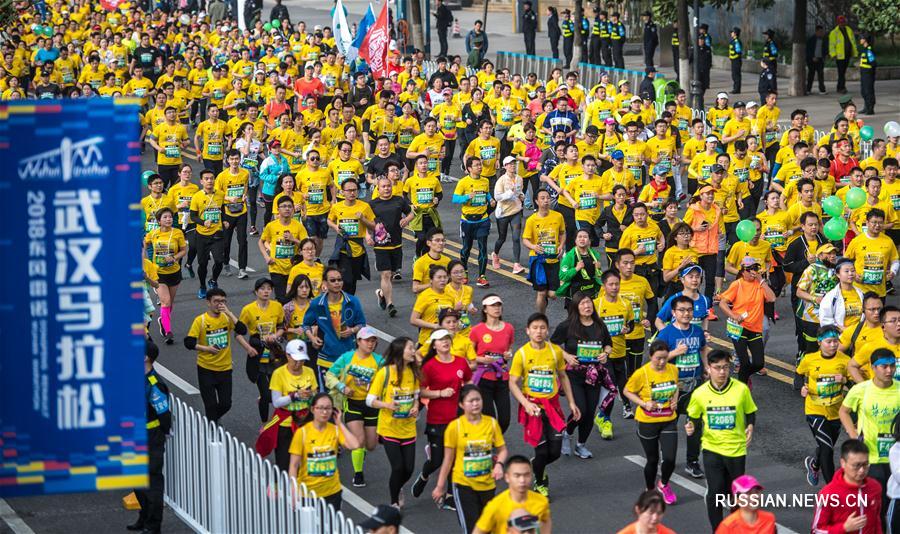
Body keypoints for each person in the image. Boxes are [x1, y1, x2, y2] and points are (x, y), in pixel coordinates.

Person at [509, 313, 580, 497]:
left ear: (547, 330)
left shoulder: (555, 351)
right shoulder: (522, 354)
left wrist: (571, 403)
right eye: (534, 328)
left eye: (542, 328)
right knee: (541, 451)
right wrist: (525, 403)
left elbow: (563, 376)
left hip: (552, 406)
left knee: (555, 451)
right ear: (527, 331)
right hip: (532, 407)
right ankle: (541, 482)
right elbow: (512, 382)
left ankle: (536, 466)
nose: (538, 331)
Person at [686, 349, 758, 530]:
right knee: (716, 491)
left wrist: (750, 426)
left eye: (725, 367)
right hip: (712, 449)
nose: (722, 372)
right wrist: (691, 426)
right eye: (717, 368)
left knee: (737, 494)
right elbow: (693, 417)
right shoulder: (700, 393)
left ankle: (735, 527)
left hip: (736, 449)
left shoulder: (741, 389)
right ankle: (718, 529)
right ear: (708, 369)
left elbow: (750, 412)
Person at [430, 384, 508, 531]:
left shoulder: (491, 423)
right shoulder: (455, 427)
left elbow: (502, 450)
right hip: (464, 485)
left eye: (478, 400)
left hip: (487, 484)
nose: (475, 404)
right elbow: (448, 460)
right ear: (461, 404)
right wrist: (440, 486)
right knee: (472, 529)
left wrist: (499, 465)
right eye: (470, 401)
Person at [410, 328, 474, 506]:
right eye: (440, 340)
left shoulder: (461, 362)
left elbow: (468, 380)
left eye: (447, 339)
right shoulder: (430, 366)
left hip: (458, 417)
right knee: (437, 460)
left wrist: (468, 396)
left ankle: (450, 496)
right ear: (434, 345)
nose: (445, 342)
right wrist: (440, 393)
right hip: (437, 418)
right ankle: (424, 475)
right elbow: (420, 390)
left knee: (456, 457)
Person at [550, 291, 616, 449]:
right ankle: (569, 432)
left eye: (589, 302)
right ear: (576, 307)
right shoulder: (567, 326)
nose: (587, 306)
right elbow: (552, 345)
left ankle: (581, 445)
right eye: (582, 303)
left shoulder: (599, 324)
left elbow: (608, 344)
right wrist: (566, 356)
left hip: (594, 376)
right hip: (573, 375)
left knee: (590, 414)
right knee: (581, 410)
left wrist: (605, 354)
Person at [656, 294, 710, 480]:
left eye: (689, 310)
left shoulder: (696, 331)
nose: (686, 313)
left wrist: (706, 368)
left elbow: (702, 348)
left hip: (695, 384)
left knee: (695, 423)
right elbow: (655, 360)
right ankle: (665, 456)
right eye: (682, 310)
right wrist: (674, 353)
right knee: (669, 423)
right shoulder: (666, 333)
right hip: (672, 388)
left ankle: (692, 461)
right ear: (673, 313)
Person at [840, 347, 900, 505]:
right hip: (872, 456)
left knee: (893, 503)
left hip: (897, 456)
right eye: (884, 366)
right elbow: (844, 412)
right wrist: (854, 436)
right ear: (873, 368)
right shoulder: (861, 390)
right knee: (877, 504)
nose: (889, 370)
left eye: (892, 366)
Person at [367, 336, 422, 508]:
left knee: (409, 469)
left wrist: (415, 407)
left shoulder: (413, 372)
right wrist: (387, 405)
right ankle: (394, 502)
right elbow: (369, 400)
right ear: (400, 351)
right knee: (398, 467)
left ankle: (398, 485)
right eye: (410, 348)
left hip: (408, 428)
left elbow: (416, 397)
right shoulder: (385, 373)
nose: (414, 351)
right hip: (389, 428)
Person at [624, 340, 680, 504]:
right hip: (647, 421)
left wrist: (674, 401)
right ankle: (650, 489)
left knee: (670, 458)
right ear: (650, 357)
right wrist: (643, 403)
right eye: (658, 358)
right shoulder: (642, 373)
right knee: (653, 460)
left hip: (668, 419)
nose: (662, 362)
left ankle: (664, 485)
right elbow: (627, 391)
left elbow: (676, 387)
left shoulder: (673, 369)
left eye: (665, 358)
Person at [797, 325, 850, 487]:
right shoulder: (809, 359)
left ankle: (814, 465)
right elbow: (799, 374)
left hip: (836, 412)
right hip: (815, 410)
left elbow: (854, 381)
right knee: (827, 448)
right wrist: (803, 387)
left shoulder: (845, 360)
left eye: (835, 341)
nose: (833, 345)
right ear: (819, 342)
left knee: (826, 445)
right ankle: (832, 489)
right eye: (829, 342)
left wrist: (845, 381)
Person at [289, 391, 359, 512]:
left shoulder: (335, 430)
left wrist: (340, 423)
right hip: (308, 493)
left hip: (332, 491)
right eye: (320, 408)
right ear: (312, 409)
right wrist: (294, 491)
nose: (325, 412)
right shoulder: (302, 433)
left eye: (328, 408)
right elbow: (294, 465)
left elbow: (355, 445)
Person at [184, 287, 247, 422]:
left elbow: (242, 330)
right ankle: (212, 430)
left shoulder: (226, 318)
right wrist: (207, 349)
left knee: (226, 404)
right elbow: (188, 343)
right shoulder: (200, 320)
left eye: (223, 301)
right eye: (216, 301)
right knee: (211, 405)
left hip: (225, 368)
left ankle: (210, 422)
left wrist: (230, 313)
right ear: (208, 302)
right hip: (206, 369)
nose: (220, 304)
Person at [127, 340, 171, 534]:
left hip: (151, 436)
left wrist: (162, 434)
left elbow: (164, 415)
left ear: (146, 358)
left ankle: (153, 526)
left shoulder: (154, 384)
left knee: (152, 482)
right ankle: (144, 517)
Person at [302, 266, 368, 386]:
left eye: (339, 279)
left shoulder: (353, 301)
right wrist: (312, 338)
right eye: (333, 280)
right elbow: (306, 324)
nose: (337, 283)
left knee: (350, 396)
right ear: (325, 283)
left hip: (350, 357)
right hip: (326, 359)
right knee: (330, 398)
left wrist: (352, 330)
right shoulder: (317, 304)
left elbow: (362, 324)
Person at [719, 256, 776, 384]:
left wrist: (762, 281)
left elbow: (772, 298)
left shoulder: (760, 285)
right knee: (744, 362)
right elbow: (723, 303)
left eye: (755, 268)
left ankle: (743, 376)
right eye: (749, 269)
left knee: (758, 363)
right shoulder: (737, 284)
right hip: (739, 328)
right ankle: (742, 387)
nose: (752, 272)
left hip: (755, 328)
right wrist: (733, 315)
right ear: (742, 271)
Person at [238, 278, 286, 423]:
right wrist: (248, 348)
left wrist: (275, 336)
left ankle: (280, 420)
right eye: (262, 288)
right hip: (257, 351)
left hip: (273, 351)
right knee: (265, 394)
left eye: (268, 289)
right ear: (256, 291)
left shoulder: (277, 306)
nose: (266, 291)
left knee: (278, 390)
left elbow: (282, 327)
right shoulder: (248, 309)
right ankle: (265, 424)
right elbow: (238, 333)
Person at [811, 439, 883, 534]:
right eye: (856, 465)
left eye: (865, 464)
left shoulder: (875, 487)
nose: (862, 470)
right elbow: (816, 531)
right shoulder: (828, 495)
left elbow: (876, 522)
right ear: (843, 463)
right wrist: (844, 528)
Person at [266, 339, 318, 471]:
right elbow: (277, 402)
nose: (299, 363)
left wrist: (310, 395)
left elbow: (315, 393)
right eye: (296, 359)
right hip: (286, 423)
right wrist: (294, 396)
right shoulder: (279, 374)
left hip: (305, 421)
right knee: (284, 462)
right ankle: (282, 487)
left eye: (302, 360)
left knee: (307, 460)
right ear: (288, 356)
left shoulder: (309, 372)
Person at [370, 176, 414, 317]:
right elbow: (364, 221)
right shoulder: (372, 204)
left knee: (393, 273)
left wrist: (407, 219)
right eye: (383, 186)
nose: (387, 188)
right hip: (381, 245)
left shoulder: (399, 201)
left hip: (397, 243)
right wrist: (366, 235)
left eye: (389, 186)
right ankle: (390, 304)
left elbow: (411, 212)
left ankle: (382, 293)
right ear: (378, 188)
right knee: (386, 274)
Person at [144, 207, 187, 344]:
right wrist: (147, 261)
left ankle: (163, 319)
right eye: (165, 217)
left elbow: (183, 250)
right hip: (159, 273)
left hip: (174, 272)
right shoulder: (153, 233)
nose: (168, 219)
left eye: (170, 217)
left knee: (170, 303)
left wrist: (174, 258)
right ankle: (168, 331)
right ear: (159, 221)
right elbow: (144, 244)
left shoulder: (178, 233)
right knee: (166, 301)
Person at [327, 178, 376, 295]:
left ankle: (348, 303)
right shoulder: (337, 207)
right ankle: (342, 303)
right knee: (346, 279)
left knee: (353, 281)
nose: (352, 193)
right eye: (349, 190)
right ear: (342, 192)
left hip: (358, 249)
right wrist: (335, 227)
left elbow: (374, 226)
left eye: (354, 190)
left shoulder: (364, 206)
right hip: (343, 248)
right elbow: (329, 220)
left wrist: (363, 219)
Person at [522, 189, 566, 313]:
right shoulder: (531, 220)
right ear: (536, 201)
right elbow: (525, 239)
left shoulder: (558, 216)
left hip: (554, 259)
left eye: (547, 197)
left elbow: (562, 233)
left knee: (552, 294)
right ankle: (541, 317)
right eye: (542, 198)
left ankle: (547, 295)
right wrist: (533, 246)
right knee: (541, 292)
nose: (546, 200)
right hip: (538, 260)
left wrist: (561, 246)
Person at [454, 157, 495, 288]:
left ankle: (482, 276)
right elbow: (455, 199)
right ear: (469, 168)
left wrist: (491, 199)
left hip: (482, 219)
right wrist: (467, 197)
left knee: (483, 248)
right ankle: (464, 272)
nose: (480, 167)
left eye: (480, 165)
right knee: (467, 248)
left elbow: (486, 193)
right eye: (476, 165)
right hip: (467, 221)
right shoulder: (463, 182)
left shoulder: (485, 180)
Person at [259, 196, 308, 301]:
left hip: (294, 268)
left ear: (293, 210)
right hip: (276, 267)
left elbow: (307, 245)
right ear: (278, 210)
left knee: (293, 298)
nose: (287, 209)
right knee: (282, 298)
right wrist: (266, 257)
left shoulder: (298, 226)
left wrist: (293, 239)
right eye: (284, 206)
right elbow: (261, 242)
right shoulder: (271, 226)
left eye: (290, 206)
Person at [493, 156, 525, 274]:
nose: (512, 166)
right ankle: (495, 254)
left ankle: (517, 264)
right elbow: (497, 197)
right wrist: (509, 193)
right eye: (509, 164)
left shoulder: (519, 179)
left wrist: (521, 196)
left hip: (516, 211)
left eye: (514, 163)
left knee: (516, 238)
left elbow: (520, 192)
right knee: (502, 238)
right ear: (505, 166)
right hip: (503, 213)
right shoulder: (501, 180)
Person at [828, 15, 857, 95]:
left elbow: (853, 41)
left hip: (847, 54)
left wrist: (854, 52)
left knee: (843, 72)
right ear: (838, 23)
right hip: (839, 56)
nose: (842, 24)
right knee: (841, 72)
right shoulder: (834, 33)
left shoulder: (849, 30)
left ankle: (840, 87)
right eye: (841, 22)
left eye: (843, 22)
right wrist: (833, 54)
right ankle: (841, 87)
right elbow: (832, 45)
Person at [806, 26, 828, 95]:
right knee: (811, 75)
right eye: (820, 32)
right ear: (816, 31)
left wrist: (825, 55)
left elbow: (825, 49)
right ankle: (808, 89)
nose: (821, 33)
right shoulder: (811, 39)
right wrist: (812, 57)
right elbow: (807, 50)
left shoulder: (824, 39)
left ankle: (822, 90)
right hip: (812, 60)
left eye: (822, 32)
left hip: (820, 60)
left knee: (821, 75)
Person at [859, 34, 877, 115]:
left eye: (861, 38)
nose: (860, 40)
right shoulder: (864, 50)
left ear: (865, 40)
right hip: (863, 73)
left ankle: (870, 109)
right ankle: (866, 107)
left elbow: (873, 62)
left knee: (868, 91)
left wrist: (870, 72)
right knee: (863, 91)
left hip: (868, 73)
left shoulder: (869, 50)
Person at [728, 28, 743, 94]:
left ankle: (737, 89)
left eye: (732, 32)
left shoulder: (736, 41)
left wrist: (733, 58)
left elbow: (738, 52)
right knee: (734, 75)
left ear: (735, 33)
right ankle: (735, 88)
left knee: (736, 75)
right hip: (734, 60)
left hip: (736, 61)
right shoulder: (733, 41)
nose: (731, 33)